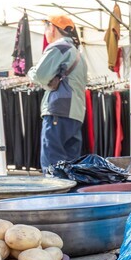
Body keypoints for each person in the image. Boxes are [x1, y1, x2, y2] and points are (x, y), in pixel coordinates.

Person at [31, 15, 87, 173]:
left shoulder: (59, 47)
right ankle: (71, 197)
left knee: (52, 163)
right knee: (71, 165)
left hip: (59, 109)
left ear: (53, 28)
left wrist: (30, 72)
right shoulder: (78, 53)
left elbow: (40, 75)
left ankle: (54, 197)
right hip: (75, 113)